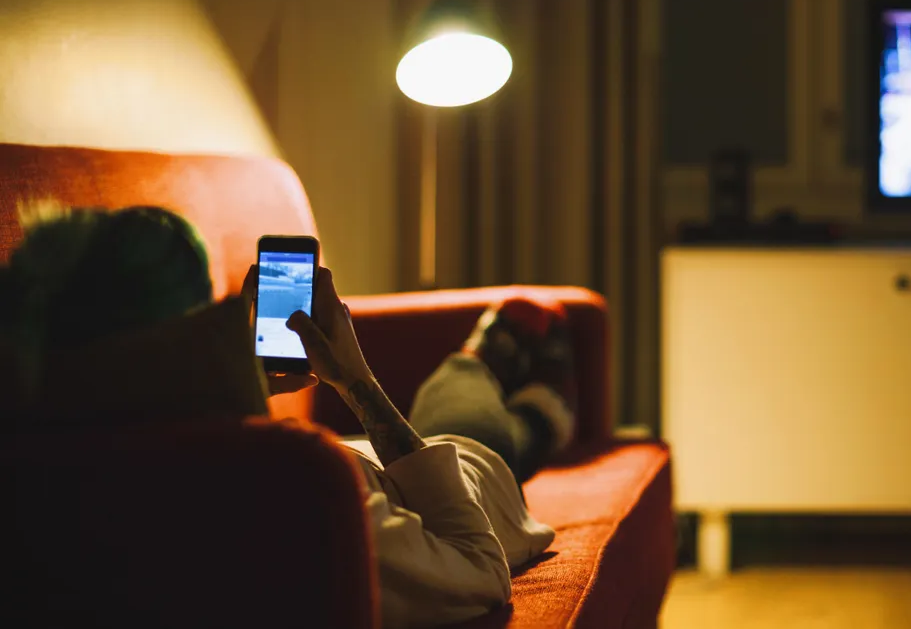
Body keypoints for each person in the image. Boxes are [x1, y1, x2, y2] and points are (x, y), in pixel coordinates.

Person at [0, 203, 577, 628]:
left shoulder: (37, 458)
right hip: (460, 492)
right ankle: (502, 376)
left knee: (457, 419)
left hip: (368, 466)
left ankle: (518, 393)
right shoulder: (294, 484)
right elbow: (482, 570)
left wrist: (233, 388)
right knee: (468, 423)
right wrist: (356, 380)